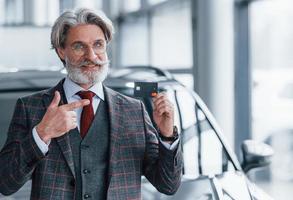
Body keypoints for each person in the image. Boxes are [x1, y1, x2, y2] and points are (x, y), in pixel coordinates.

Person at [0, 8, 182, 200]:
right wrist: (42, 133)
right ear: (62, 51)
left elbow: (168, 185)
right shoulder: (31, 108)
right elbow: (5, 183)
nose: (91, 55)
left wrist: (167, 135)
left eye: (98, 44)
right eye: (79, 46)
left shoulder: (134, 110)